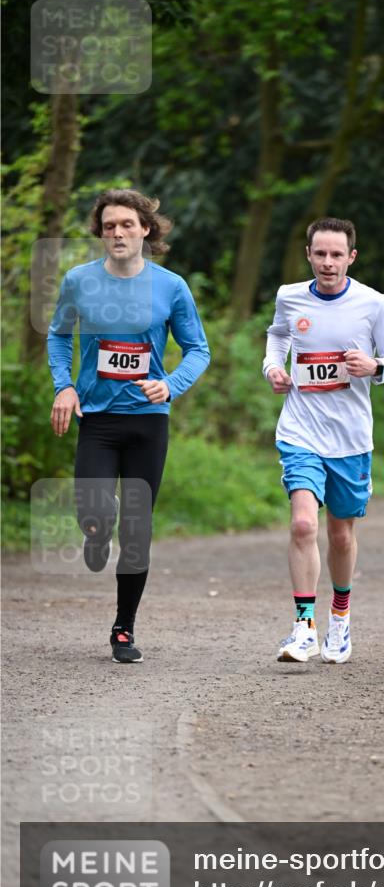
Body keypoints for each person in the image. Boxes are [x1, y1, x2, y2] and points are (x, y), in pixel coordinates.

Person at [47, 188, 210, 664]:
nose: (117, 232)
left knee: (137, 532)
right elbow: (59, 336)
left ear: (146, 231)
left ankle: (123, 629)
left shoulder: (171, 286)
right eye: (109, 225)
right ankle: (97, 530)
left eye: (127, 225)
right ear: (101, 232)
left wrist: (171, 384)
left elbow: (198, 348)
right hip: (97, 419)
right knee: (94, 511)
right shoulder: (79, 281)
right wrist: (64, 385)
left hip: (148, 422)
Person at [263, 217, 384, 664]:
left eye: (336, 254)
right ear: (308, 254)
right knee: (304, 524)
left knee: (341, 536)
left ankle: (340, 620)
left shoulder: (373, 303)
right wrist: (272, 368)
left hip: (350, 439)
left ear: (351, 257)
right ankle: (304, 628)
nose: (328, 262)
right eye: (320, 253)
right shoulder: (289, 296)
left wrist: (376, 366)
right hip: (300, 431)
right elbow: (277, 336)